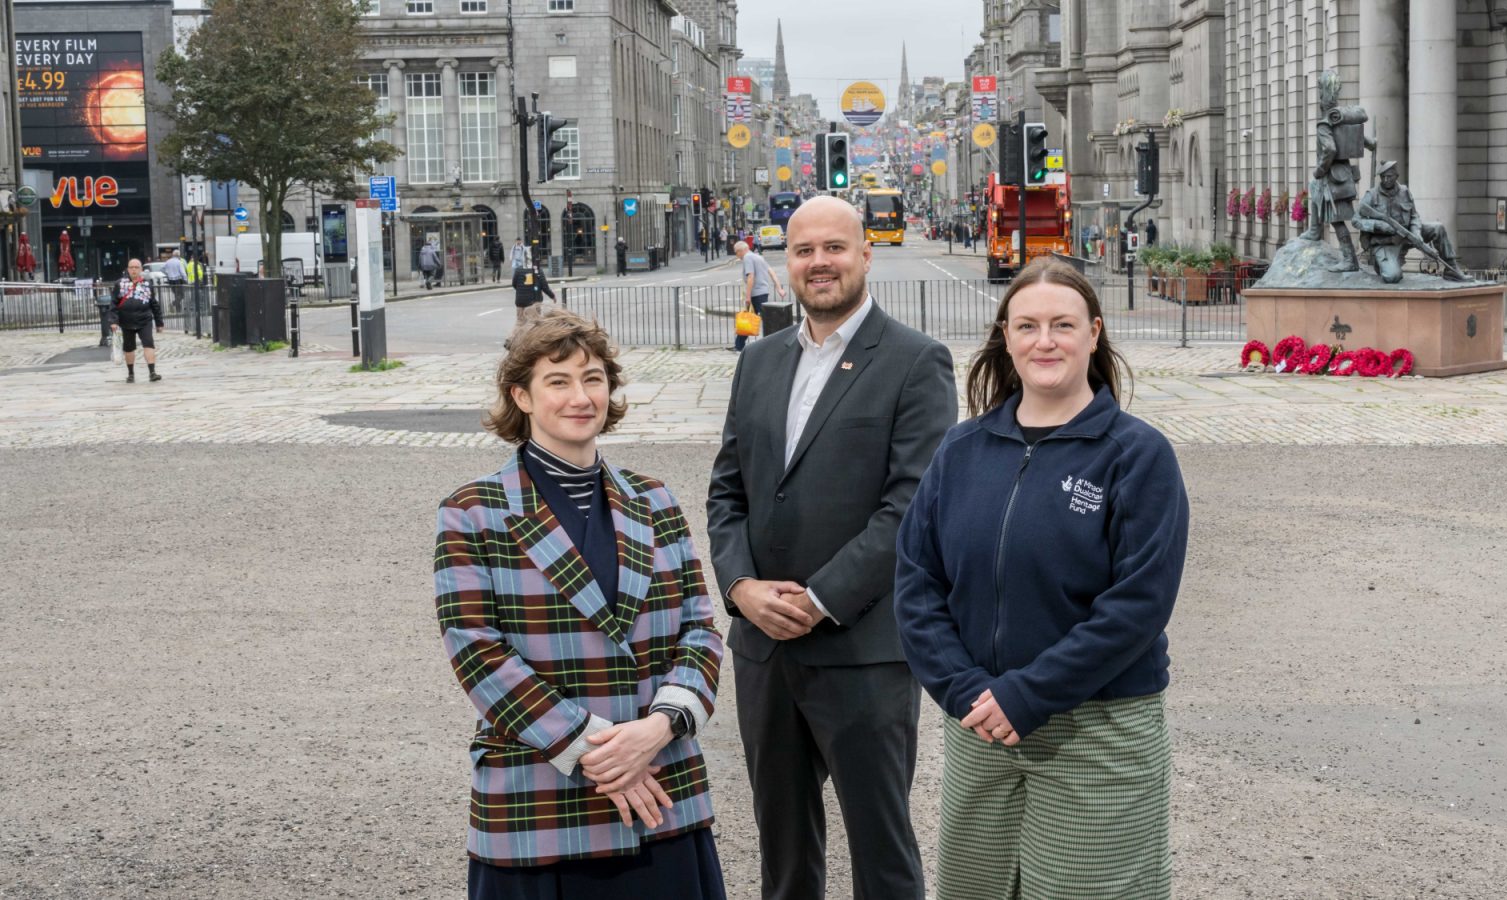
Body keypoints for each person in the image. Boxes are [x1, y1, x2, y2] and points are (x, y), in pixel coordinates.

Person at [895, 256, 1189, 899]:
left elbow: (1137, 605)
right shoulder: (962, 449)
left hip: (1096, 728)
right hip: (980, 724)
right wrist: (965, 688)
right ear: (1006, 336)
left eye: (1063, 324)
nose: (1045, 340)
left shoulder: (1137, 456)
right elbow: (917, 582)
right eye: (1027, 325)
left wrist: (1027, 695)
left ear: (1094, 333)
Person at [706, 195, 957, 900]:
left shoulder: (915, 361)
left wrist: (819, 600)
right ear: (786, 263)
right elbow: (728, 493)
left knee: (883, 853)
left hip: (861, 651)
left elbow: (910, 509)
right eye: (804, 250)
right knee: (783, 853)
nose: (820, 263)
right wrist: (740, 588)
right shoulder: (758, 361)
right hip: (764, 647)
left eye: (835, 248)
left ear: (866, 254)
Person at [435, 311, 727, 900]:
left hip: (661, 784)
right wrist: (599, 751)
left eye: (593, 379)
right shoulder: (472, 511)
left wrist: (658, 728)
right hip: (540, 798)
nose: (581, 396)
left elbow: (700, 628)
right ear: (521, 395)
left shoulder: (654, 498)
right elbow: (477, 653)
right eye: (558, 381)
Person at [1298, 68, 1376, 272]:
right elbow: (1359, 139)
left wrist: (1321, 169)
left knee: (1336, 220)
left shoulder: (1326, 124)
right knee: (1314, 189)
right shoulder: (1339, 120)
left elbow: (1331, 148)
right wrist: (1371, 144)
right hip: (1342, 176)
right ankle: (1314, 231)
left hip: (1333, 178)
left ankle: (1349, 258)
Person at [1354, 160, 1468, 283]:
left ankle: (1451, 268)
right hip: (1386, 242)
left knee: (1437, 228)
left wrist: (1416, 233)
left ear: (1396, 176)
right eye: (1383, 177)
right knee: (1392, 277)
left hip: (1407, 234)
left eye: (1389, 176)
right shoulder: (1371, 195)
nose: (1386, 179)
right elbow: (1356, 220)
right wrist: (1378, 225)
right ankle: (1381, 263)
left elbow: (1414, 216)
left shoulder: (1404, 191)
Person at [110, 259, 163, 383]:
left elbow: (154, 304)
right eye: (131, 267)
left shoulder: (147, 284)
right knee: (129, 348)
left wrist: (159, 322)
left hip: (144, 319)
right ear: (128, 269)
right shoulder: (120, 284)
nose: (134, 270)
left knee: (148, 344)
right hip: (126, 320)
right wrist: (113, 321)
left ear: (141, 269)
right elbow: (113, 304)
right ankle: (131, 373)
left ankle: (152, 372)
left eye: (136, 267)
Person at [731, 240, 786, 353]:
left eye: (736, 252)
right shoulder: (758, 257)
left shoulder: (748, 258)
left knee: (766, 320)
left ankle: (775, 344)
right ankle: (738, 345)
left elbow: (751, 277)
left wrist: (748, 296)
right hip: (763, 292)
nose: (737, 255)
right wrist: (779, 288)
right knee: (748, 319)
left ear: (741, 250)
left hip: (756, 294)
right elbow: (771, 272)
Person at [505, 260, 558, 348]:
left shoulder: (518, 270)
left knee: (520, 321)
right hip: (533, 301)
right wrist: (552, 296)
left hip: (520, 301)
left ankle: (511, 339)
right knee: (534, 322)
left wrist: (521, 291)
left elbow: (514, 284)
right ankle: (530, 343)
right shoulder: (538, 271)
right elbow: (544, 286)